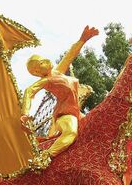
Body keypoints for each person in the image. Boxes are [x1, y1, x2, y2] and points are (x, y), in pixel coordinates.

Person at [21, 25, 99, 157]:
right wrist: (25, 113)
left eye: (42, 59)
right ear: (37, 72)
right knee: (71, 132)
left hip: (77, 113)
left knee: (96, 128)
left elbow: (70, 55)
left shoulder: (58, 72)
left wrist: (83, 39)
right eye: (40, 63)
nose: (45, 61)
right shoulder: (46, 81)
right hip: (65, 115)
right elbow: (29, 92)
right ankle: (45, 157)